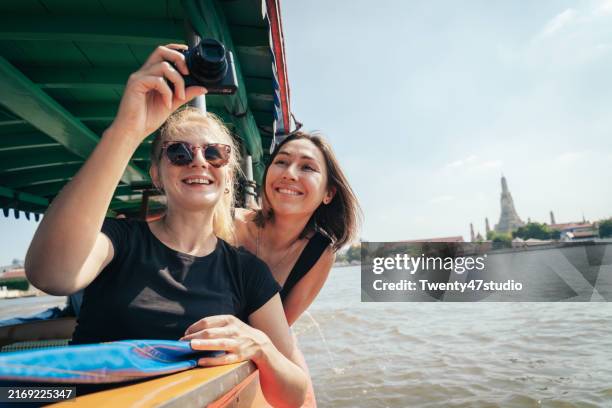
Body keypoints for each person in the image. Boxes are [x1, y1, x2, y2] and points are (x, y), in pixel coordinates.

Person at [24, 44, 306, 408]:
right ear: (157, 173)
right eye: (179, 153)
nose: (198, 162)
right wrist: (128, 129)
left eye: (214, 153)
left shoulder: (247, 272)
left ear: (227, 171)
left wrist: (261, 345)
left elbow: (293, 395)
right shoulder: (119, 241)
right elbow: (51, 275)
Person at [233, 132, 361, 407]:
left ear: (328, 193)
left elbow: (280, 329)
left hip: (262, 342)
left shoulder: (320, 252)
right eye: (281, 162)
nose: (290, 174)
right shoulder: (228, 223)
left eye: (307, 167)